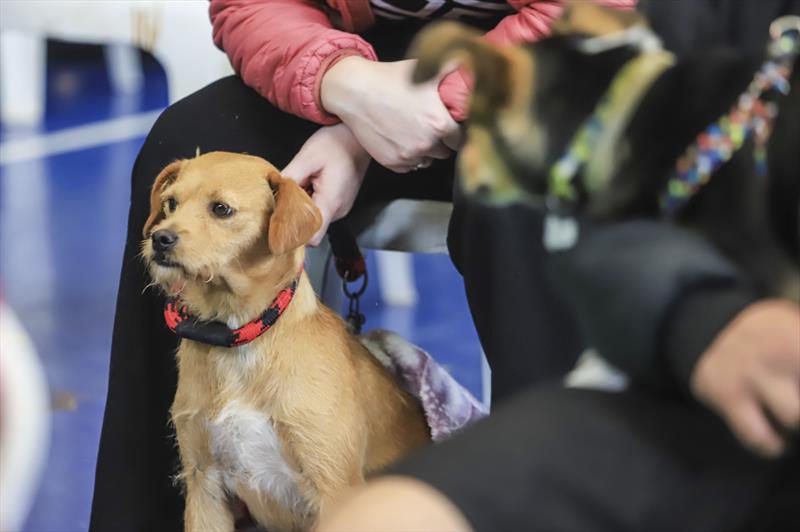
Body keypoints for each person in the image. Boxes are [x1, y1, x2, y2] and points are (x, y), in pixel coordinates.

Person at [90, 1, 800, 531]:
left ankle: (550, 468)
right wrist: (344, 88)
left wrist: (408, 111)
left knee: (523, 187)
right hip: (360, 66)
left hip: (538, 61)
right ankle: (157, 509)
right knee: (186, 138)